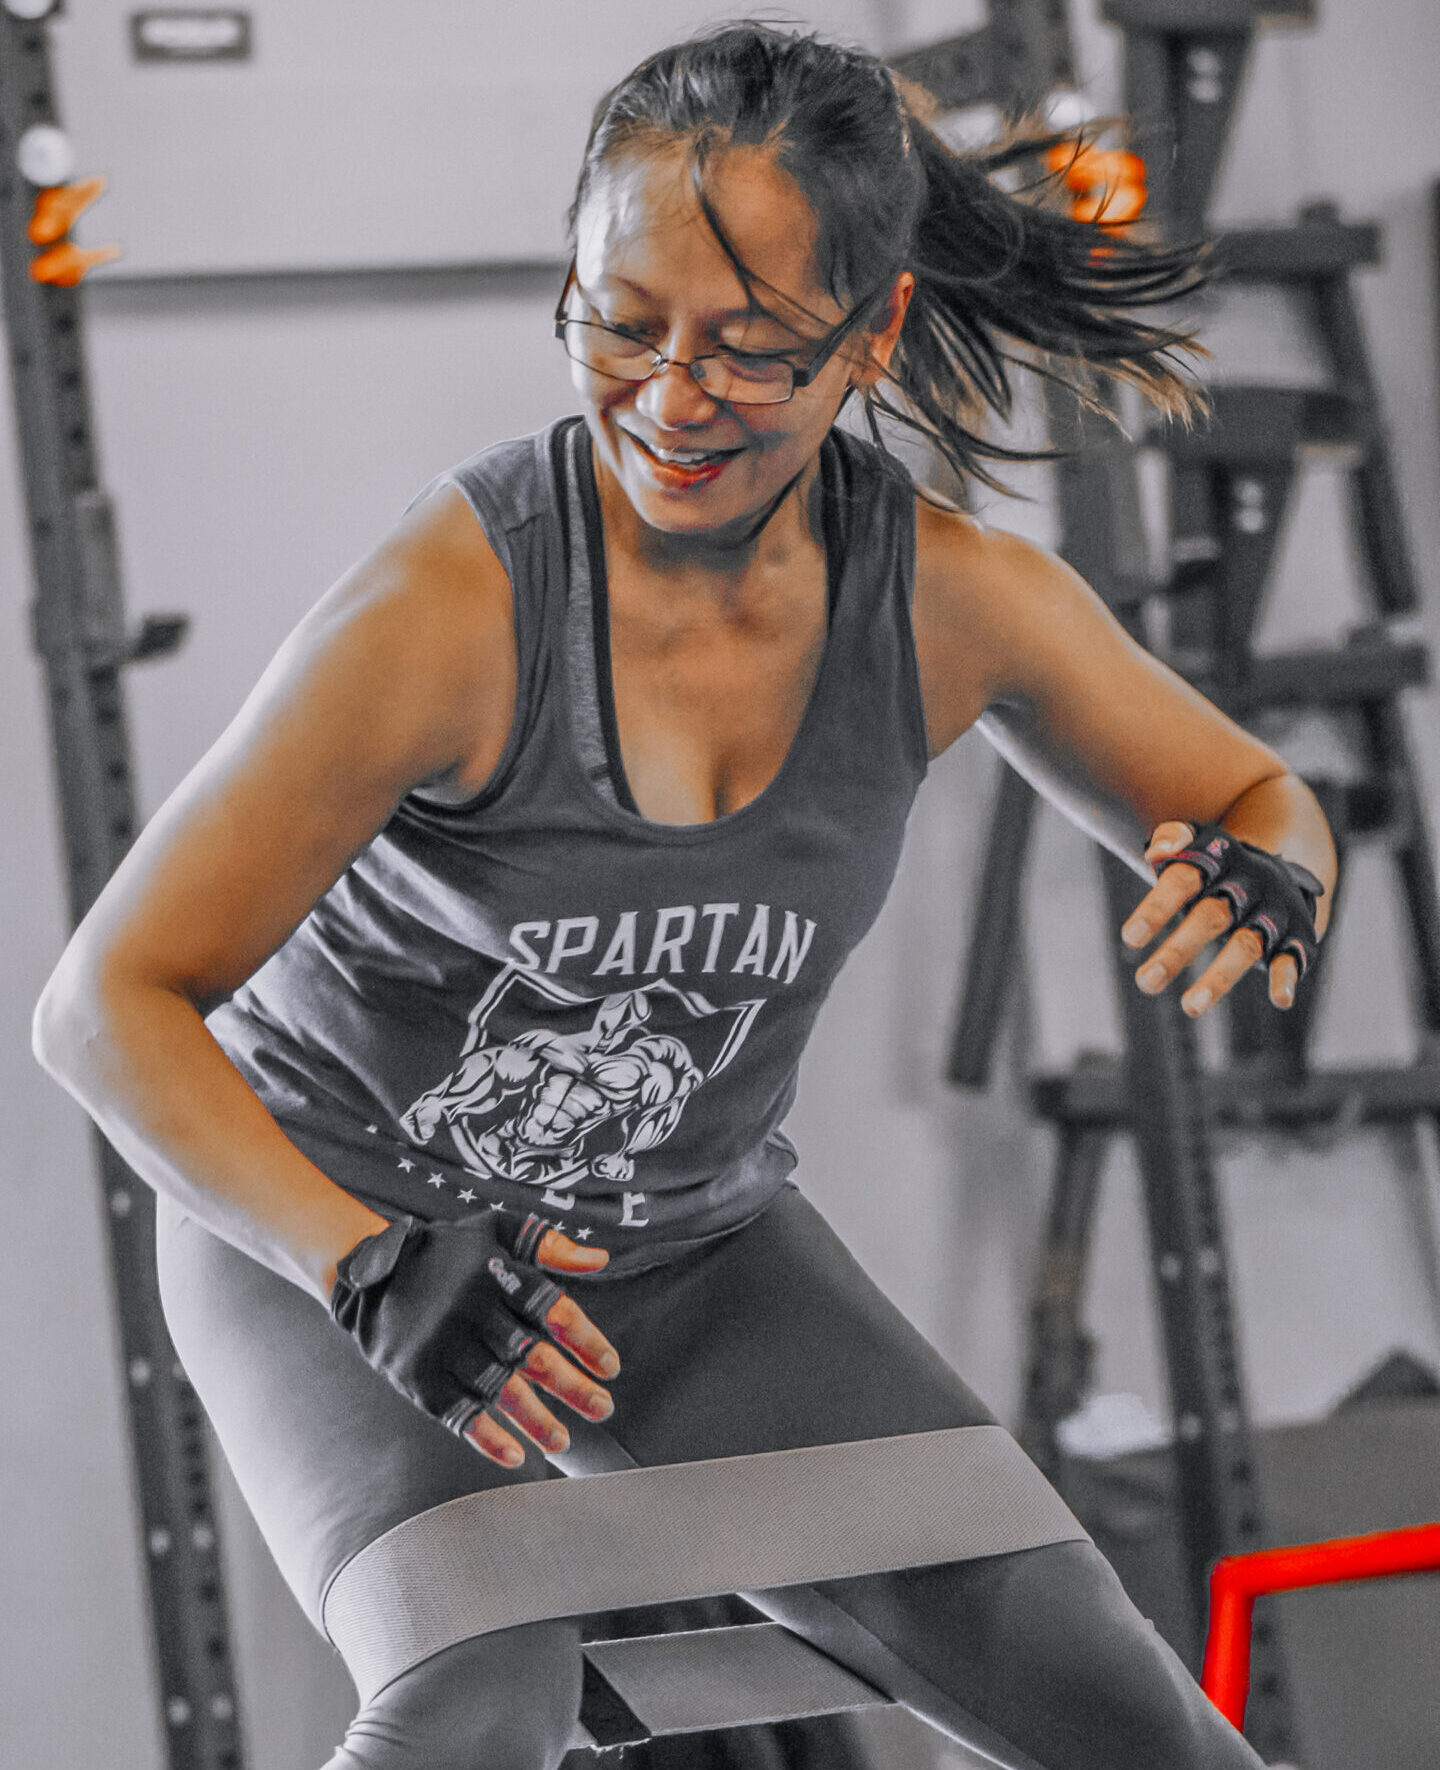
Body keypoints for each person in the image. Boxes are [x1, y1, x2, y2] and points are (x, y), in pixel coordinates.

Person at [33, 21, 1335, 1770]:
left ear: (868, 337)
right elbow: (101, 1004)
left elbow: (1256, 797)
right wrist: (363, 1265)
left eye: (748, 352)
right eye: (620, 324)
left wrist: (1272, 874)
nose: (667, 399)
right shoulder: (454, 602)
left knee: (1130, 1719)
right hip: (345, 1224)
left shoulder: (954, 603)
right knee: (476, 1693)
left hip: (688, 1246)